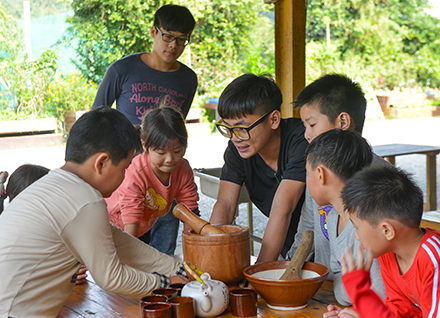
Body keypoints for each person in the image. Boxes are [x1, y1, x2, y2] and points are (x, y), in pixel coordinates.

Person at [0, 107, 188, 318]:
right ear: (102, 163)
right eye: (124, 168)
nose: (125, 177)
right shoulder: (85, 200)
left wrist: (176, 268)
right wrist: (166, 282)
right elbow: (111, 278)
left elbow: (118, 241)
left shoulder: (55, 186)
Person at [92, 4, 197, 255]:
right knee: (125, 241)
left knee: (163, 249)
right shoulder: (122, 70)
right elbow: (97, 118)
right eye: (168, 36)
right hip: (128, 172)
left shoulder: (188, 79)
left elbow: (177, 124)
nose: (173, 46)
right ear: (153, 32)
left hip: (165, 174)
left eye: (182, 40)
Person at [286, 74, 389, 305]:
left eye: (312, 124)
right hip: (331, 291)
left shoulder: (380, 180)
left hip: (365, 299)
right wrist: (289, 265)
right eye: (304, 126)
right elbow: (308, 226)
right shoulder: (316, 166)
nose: (307, 134)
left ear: (343, 122)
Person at [209, 73, 308, 262]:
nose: (235, 137)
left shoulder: (301, 140)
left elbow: (283, 208)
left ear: (273, 120)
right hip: (286, 245)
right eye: (228, 128)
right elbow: (225, 204)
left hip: (322, 245)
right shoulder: (238, 148)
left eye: (241, 127)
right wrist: (211, 253)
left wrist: (260, 269)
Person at [336, 165, 440, 318]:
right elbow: (401, 309)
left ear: (387, 231)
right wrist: (360, 313)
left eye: (357, 227)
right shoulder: (389, 253)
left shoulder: (433, 260)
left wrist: (362, 296)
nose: (357, 237)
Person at [304, 129, 386, 306]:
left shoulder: (366, 223)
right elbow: (338, 275)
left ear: (320, 174)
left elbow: (379, 291)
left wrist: (347, 289)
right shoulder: (333, 218)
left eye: (307, 172)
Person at [106, 106, 199, 238]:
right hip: (111, 226)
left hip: (138, 228)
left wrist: (193, 247)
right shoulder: (136, 173)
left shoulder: (183, 170)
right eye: (161, 152)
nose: (170, 159)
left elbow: (190, 212)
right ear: (145, 146)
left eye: (177, 151)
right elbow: (132, 218)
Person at [0, 164, 89, 285]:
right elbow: (16, 277)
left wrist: (68, 271)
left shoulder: (48, 227)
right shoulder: (14, 234)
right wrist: (63, 276)